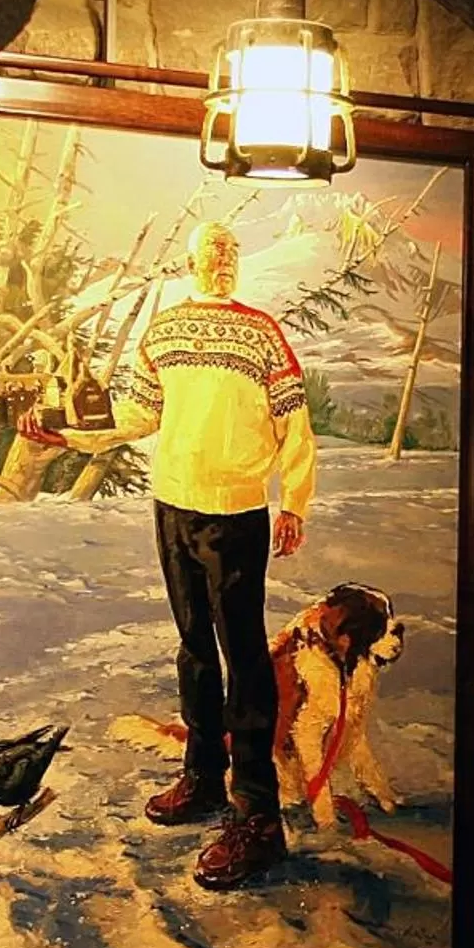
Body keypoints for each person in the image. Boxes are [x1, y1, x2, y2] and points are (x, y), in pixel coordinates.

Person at [38, 220, 315, 891]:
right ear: (190, 261)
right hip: (174, 505)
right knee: (193, 645)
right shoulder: (162, 331)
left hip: (236, 512)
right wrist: (68, 437)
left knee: (243, 654)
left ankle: (257, 816)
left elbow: (295, 425)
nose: (221, 258)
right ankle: (203, 778)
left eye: (230, 250)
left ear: (237, 262)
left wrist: (295, 502)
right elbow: (137, 416)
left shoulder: (262, 333)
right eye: (210, 251)